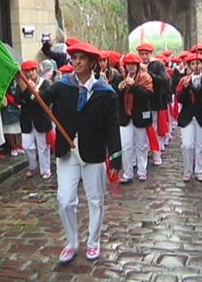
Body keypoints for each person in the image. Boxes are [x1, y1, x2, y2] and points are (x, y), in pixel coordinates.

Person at [40, 41, 121, 263]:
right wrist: (29, 88)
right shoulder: (62, 86)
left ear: (92, 63)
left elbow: (112, 127)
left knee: (95, 200)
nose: (76, 62)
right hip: (67, 151)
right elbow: (41, 101)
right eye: (73, 57)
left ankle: (93, 242)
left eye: (81, 58)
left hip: (93, 152)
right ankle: (72, 241)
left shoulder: (107, 93)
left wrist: (116, 158)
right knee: (65, 200)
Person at [117, 53, 154, 183]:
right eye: (128, 65)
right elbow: (116, 98)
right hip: (125, 116)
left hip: (140, 115)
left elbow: (148, 95)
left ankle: (142, 171)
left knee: (141, 144)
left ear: (137, 66)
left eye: (133, 64)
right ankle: (127, 173)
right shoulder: (120, 77)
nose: (131, 67)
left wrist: (133, 86)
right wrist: (120, 89)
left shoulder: (145, 77)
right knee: (125, 145)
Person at [176, 53, 202, 182]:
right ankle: (187, 170)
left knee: (201, 145)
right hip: (187, 115)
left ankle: (199, 170)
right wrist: (185, 89)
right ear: (189, 66)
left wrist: (199, 90)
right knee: (187, 145)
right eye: (193, 64)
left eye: (198, 63)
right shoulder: (183, 80)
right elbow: (179, 99)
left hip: (201, 115)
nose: (196, 66)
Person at [17, 60, 52, 179]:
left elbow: (41, 100)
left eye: (32, 70)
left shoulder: (45, 83)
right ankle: (32, 166)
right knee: (27, 145)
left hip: (41, 119)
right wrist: (27, 91)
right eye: (27, 71)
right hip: (27, 119)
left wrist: (32, 92)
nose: (30, 73)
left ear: (37, 70)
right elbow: (19, 99)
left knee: (43, 146)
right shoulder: (22, 84)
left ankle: (45, 169)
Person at [1, 78, 23, 157]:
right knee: (9, 129)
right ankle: (13, 147)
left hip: (18, 104)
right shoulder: (5, 79)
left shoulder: (18, 79)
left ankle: (20, 145)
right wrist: (13, 102)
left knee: (19, 128)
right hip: (8, 106)